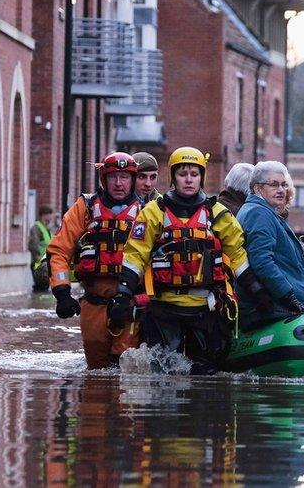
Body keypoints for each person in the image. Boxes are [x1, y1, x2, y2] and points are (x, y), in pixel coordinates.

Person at [112, 146, 250, 375]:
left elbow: (237, 254)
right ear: (173, 177)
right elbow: (135, 254)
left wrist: (254, 286)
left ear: (202, 178)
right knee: (162, 375)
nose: (188, 180)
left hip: (205, 309)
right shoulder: (153, 212)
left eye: (194, 174)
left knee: (206, 374)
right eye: (182, 174)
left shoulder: (218, 213)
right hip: (164, 308)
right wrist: (122, 293)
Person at [47, 152, 143, 369]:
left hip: (130, 304)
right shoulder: (85, 208)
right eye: (112, 177)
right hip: (94, 302)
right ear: (103, 179)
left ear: (133, 180)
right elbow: (59, 251)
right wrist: (62, 292)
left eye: (125, 177)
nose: (119, 183)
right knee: (96, 370)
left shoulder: (147, 212)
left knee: (125, 368)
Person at [236, 161, 304, 328]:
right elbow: (262, 262)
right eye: (274, 184)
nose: (281, 190)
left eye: (284, 185)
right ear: (257, 188)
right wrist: (288, 297)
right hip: (279, 307)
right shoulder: (259, 213)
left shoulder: (261, 212)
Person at [29, 205, 58, 291]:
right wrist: (39, 262)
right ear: (44, 215)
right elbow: (33, 245)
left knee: (44, 287)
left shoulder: (47, 229)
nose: (52, 217)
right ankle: (37, 304)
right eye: (50, 214)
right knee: (40, 287)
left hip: (46, 263)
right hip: (38, 263)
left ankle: (39, 303)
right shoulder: (37, 228)